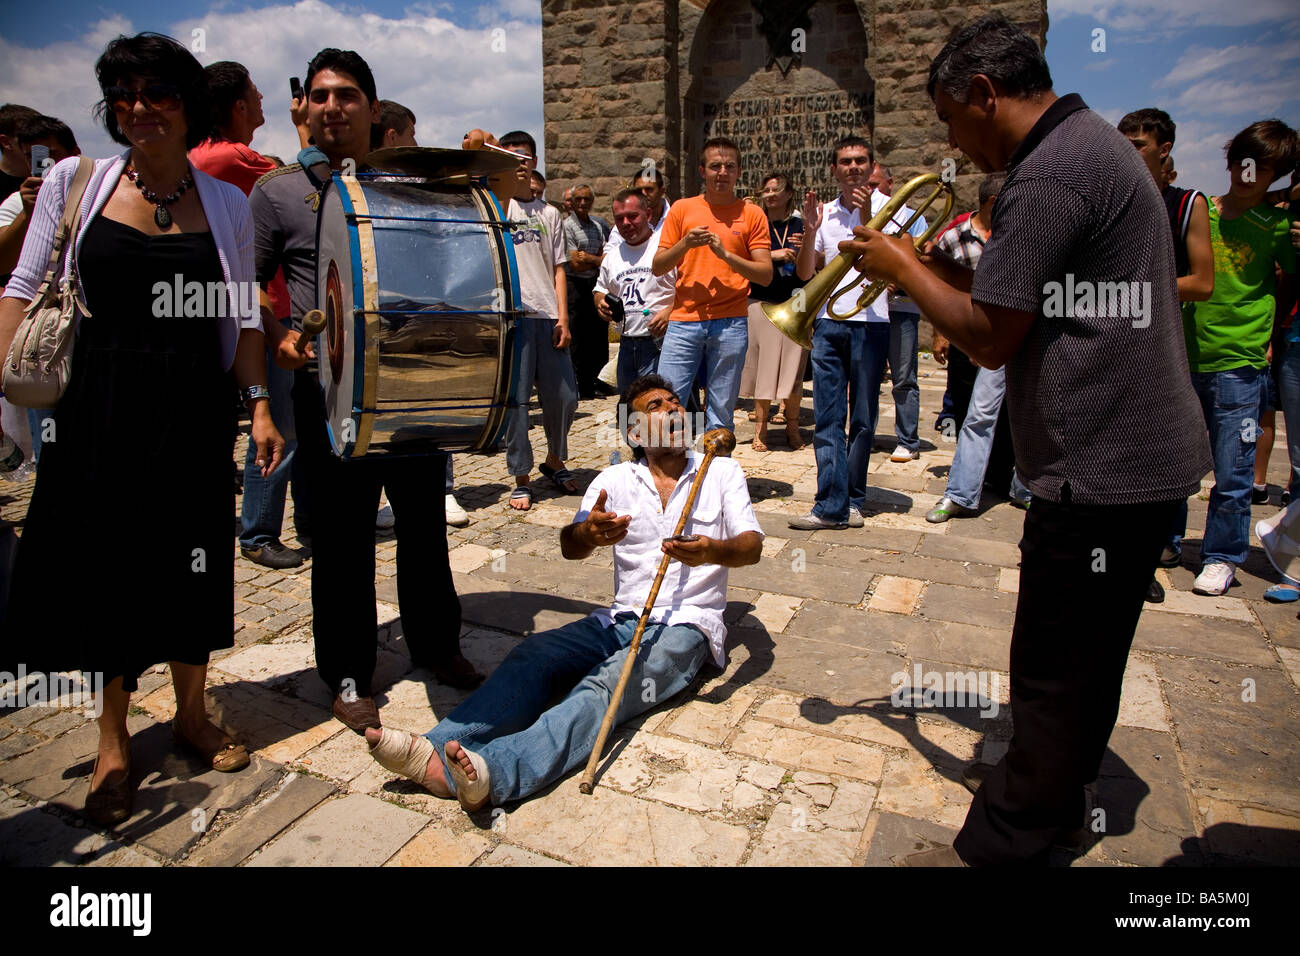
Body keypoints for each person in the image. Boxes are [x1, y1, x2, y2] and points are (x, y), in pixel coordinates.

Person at [840, 14, 1211, 865]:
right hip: (1137, 453)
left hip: (1101, 461)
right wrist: (924, 265)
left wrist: (903, 269)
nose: (952, 142)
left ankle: (1012, 840)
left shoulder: (1050, 176)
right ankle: (1065, 783)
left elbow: (989, 337)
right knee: (1086, 660)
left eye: (949, 119)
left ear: (983, 94)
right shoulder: (1088, 144)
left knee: (1050, 667)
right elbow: (1028, 291)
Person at [0, 32, 288, 824]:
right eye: (123, 95)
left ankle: (192, 713)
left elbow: (240, 315)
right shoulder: (75, 181)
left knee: (190, 563)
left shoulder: (224, 202)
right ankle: (114, 739)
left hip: (192, 410)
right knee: (106, 569)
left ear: (185, 104)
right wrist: (9, 382)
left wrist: (259, 401)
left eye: (155, 93)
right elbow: (24, 285)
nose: (138, 109)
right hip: (95, 408)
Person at [362, 374, 763, 810]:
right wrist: (589, 533)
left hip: (687, 624)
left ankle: (496, 773)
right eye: (655, 406)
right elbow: (570, 545)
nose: (673, 409)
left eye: (675, 402)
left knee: (605, 685)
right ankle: (434, 748)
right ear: (634, 432)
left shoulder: (721, 470)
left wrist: (710, 552)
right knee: (533, 655)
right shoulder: (615, 478)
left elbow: (751, 548)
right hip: (621, 618)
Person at [252, 49, 482, 737]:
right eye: (319, 96)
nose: (332, 107)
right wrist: (280, 335)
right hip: (325, 401)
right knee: (343, 540)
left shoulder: (406, 182)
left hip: (409, 387)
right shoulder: (277, 192)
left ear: (371, 109)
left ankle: (438, 645)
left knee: (425, 528)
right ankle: (348, 674)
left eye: (347, 95)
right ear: (307, 108)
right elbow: (241, 284)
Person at [191, 59, 307, 570]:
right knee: (277, 421)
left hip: (233, 310)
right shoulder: (233, 159)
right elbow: (305, 176)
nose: (264, 103)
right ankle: (259, 531)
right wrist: (304, 124)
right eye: (256, 95)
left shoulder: (197, 155)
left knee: (287, 420)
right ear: (237, 105)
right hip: (264, 313)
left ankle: (292, 520)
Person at [1179, 119, 1297, 596]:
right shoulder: (1199, 210)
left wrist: (1269, 331)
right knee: (1176, 463)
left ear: (1276, 175)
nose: (1248, 173)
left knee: (1233, 469)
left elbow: (1290, 279)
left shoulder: (1279, 226)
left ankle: (1222, 555)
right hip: (1185, 355)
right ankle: (1166, 540)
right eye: (1242, 161)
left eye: (1262, 168)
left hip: (1239, 362)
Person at [1117, 107, 1217, 602]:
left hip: (1165, 348)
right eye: (1125, 141)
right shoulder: (1113, 201)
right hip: (1114, 347)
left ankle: (1158, 553)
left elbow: (1202, 282)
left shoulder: (1185, 204)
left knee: (1161, 457)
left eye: (1138, 144)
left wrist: (1135, 291)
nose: (1129, 151)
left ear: (1164, 151)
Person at [366, 101, 470, 529]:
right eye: (411, 132)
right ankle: (382, 500)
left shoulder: (422, 185)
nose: (416, 140)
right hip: (381, 307)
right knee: (382, 403)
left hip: (424, 303)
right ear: (392, 136)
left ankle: (442, 491)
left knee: (431, 395)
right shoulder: (365, 184)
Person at [787, 135, 894, 531]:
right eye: (845, 162)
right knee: (829, 417)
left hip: (873, 323)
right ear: (834, 169)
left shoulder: (891, 210)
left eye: (860, 161)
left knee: (863, 417)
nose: (853, 167)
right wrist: (811, 231)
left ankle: (854, 497)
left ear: (871, 167)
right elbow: (803, 274)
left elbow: (893, 270)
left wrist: (868, 217)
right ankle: (829, 505)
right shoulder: (822, 213)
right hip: (830, 322)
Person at [472, 129, 579, 510]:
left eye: (524, 157)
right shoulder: (496, 205)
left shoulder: (549, 213)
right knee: (517, 403)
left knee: (565, 397)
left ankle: (554, 461)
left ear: (534, 162)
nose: (519, 162)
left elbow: (559, 270)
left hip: (547, 314)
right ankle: (521, 476)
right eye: (510, 156)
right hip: (512, 318)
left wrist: (563, 317)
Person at [925, 172, 1032, 523]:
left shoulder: (1022, 234)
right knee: (979, 415)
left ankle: (1024, 488)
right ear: (992, 202)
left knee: (1028, 416)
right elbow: (940, 286)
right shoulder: (955, 235)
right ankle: (961, 494)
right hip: (986, 337)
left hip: (1027, 336)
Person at [653, 137, 772, 432]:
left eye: (729, 166)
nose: (722, 172)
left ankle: (716, 474)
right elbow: (658, 266)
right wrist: (685, 244)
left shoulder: (752, 213)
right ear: (702, 170)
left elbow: (765, 274)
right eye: (715, 166)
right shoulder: (682, 209)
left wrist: (725, 255)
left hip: (731, 322)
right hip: (684, 320)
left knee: (721, 412)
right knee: (664, 405)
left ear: (739, 172)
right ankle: (666, 472)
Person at [739, 172, 806, 451]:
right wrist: (774, 255)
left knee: (793, 368)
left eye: (778, 189)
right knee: (763, 366)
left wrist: (803, 251)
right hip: (761, 300)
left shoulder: (800, 224)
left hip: (795, 300)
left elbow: (810, 265)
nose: (772, 194)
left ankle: (792, 427)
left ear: (789, 193)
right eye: (767, 189)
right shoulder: (754, 222)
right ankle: (760, 430)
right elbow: (740, 258)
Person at [869, 162, 930, 462]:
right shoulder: (860, 214)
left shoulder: (912, 217)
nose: (870, 191)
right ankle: (864, 434)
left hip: (901, 308)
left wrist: (898, 278)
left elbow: (924, 259)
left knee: (903, 376)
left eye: (875, 184)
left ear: (890, 184)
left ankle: (908, 440)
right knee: (865, 376)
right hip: (868, 309)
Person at [594, 189, 675, 389]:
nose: (626, 224)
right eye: (619, 218)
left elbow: (691, 290)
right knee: (629, 411)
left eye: (632, 216)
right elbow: (600, 289)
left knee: (663, 411)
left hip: (662, 343)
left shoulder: (667, 247)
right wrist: (600, 302)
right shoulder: (612, 256)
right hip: (627, 344)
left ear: (648, 214)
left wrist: (670, 311)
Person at [562, 183, 612, 398]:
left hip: (594, 284)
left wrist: (590, 258)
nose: (583, 203)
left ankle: (596, 381)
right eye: (578, 199)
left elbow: (606, 258)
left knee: (597, 335)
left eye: (587, 199)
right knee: (577, 338)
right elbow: (574, 263)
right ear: (572, 202)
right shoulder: (566, 226)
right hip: (574, 286)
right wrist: (596, 260)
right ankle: (578, 385)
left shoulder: (598, 225)